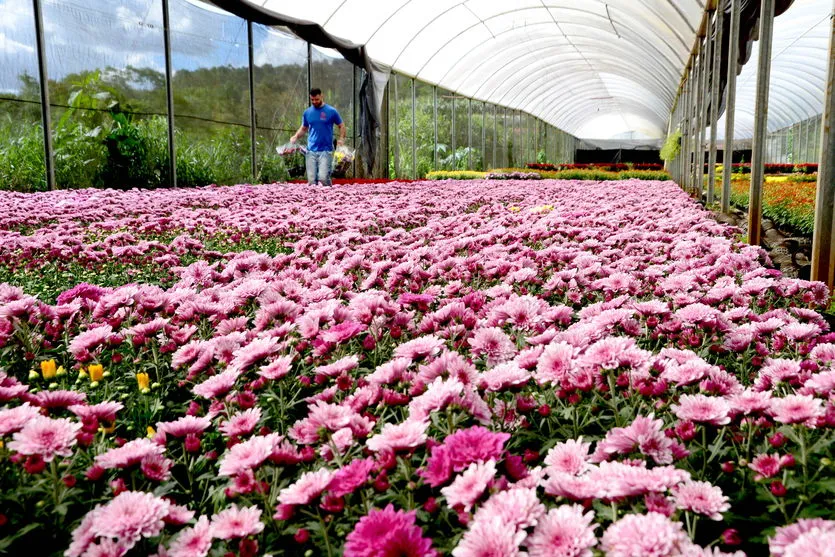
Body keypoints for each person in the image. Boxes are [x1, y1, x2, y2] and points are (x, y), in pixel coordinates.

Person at [290, 88, 346, 187]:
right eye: (312, 100)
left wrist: (341, 139)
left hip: (326, 150)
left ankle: (329, 197)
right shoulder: (307, 112)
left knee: (323, 177)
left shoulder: (331, 111)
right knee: (311, 180)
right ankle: (315, 201)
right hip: (311, 150)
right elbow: (304, 128)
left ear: (321, 96)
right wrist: (295, 136)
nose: (314, 102)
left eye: (317, 99)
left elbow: (341, 125)